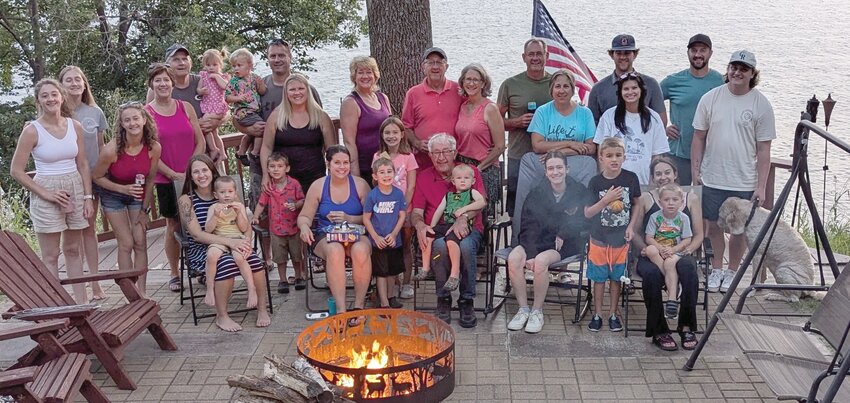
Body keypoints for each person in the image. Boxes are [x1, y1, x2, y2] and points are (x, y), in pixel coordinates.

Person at [691, 50, 775, 293]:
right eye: (733, 67)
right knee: (713, 226)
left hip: (743, 180)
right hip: (712, 176)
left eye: (744, 69)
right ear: (727, 70)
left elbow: (764, 149)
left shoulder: (761, 104)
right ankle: (716, 268)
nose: (737, 72)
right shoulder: (710, 98)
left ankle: (732, 271)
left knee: (738, 229)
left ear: (752, 74)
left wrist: (760, 185)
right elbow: (698, 137)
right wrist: (696, 172)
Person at [239, 38, 322, 270]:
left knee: (304, 211)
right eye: (273, 55)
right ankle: (268, 259)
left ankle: (307, 258)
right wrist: (246, 130)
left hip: (305, 168)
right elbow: (241, 117)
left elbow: (320, 124)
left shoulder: (306, 89)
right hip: (265, 166)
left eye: (281, 55)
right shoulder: (259, 88)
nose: (277, 59)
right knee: (264, 210)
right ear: (267, 58)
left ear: (290, 57)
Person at [10, 78, 94, 304]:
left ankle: (81, 304)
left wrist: (87, 197)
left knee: (73, 249)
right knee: (50, 255)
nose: (50, 99)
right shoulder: (32, 131)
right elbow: (16, 171)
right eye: (44, 96)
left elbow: (83, 163)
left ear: (61, 96)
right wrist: (45, 194)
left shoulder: (74, 126)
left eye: (53, 94)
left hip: (74, 187)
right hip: (46, 189)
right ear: (38, 100)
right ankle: (56, 306)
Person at [177, 155, 270, 332]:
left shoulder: (226, 192)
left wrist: (247, 241)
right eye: (196, 171)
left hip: (234, 240)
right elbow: (197, 235)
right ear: (190, 175)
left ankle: (262, 308)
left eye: (204, 170)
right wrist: (230, 243)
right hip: (202, 249)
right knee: (226, 263)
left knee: (254, 260)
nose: (201, 175)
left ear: (212, 172)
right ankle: (222, 316)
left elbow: (245, 224)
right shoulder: (186, 201)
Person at [506, 151, 591, 334]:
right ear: (545, 172)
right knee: (513, 259)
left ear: (567, 169)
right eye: (551, 168)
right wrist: (529, 253)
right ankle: (523, 309)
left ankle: (537, 311)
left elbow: (584, 220)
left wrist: (563, 232)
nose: (555, 172)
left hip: (564, 243)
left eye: (559, 167)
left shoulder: (579, 191)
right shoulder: (536, 192)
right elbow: (528, 224)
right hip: (536, 239)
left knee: (541, 262)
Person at [411, 134, 485, 328]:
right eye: (435, 152)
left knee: (467, 246)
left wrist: (463, 217)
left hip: (469, 228)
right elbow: (417, 212)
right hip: (439, 231)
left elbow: (480, 204)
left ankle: (466, 300)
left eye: (445, 152)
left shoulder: (470, 172)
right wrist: (420, 225)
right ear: (430, 154)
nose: (441, 157)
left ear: (455, 153)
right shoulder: (424, 176)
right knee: (438, 246)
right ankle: (443, 298)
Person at [145, 63, 206, 292]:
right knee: (174, 224)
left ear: (172, 83)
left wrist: (192, 168)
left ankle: (199, 267)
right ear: (152, 84)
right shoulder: (147, 113)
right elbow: (149, 149)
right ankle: (174, 272)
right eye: (158, 80)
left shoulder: (185, 106)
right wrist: (172, 174)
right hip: (166, 179)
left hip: (194, 175)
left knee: (198, 219)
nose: (163, 84)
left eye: (166, 80)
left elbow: (199, 140)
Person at [633, 157, 704, 351]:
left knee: (689, 269)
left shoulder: (690, 197)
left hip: (681, 250)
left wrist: (686, 250)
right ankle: (659, 331)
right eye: (658, 174)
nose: (663, 177)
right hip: (652, 252)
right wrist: (645, 249)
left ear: (675, 174)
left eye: (667, 172)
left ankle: (686, 326)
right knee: (651, 274)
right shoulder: (646, 197)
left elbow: (698, 235)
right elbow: (638, 232)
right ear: (653, 177)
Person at [91, 102, 161, 298]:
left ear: (144, 120)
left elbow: (150, 180)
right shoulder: (111, 150)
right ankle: (130, 293)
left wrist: (144, 211)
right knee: (126, 243)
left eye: (136, 118)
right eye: (127, 120)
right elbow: (96, 177)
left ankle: (142, 292)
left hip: (137, 195)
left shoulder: (153, 147)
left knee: (140, 241)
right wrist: (122, 188)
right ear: (121, 124)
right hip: (113, 194)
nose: (132, 123)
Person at [297, 145, 372, 315]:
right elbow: (305, 216)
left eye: (346, 163)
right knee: (335, 250)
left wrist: (349, 218)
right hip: (326, 234)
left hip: (355, 231)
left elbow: (371, 217)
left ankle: (359, 306)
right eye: (337, 162)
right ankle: (341, 309)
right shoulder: (318, 186)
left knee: (360, 250)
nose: (342, 167)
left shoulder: (360, 185)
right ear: (328, 163)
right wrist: (304, 227)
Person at [58, 65, 108, 301]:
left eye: (79, 79)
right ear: (62, 85)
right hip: (68, 179)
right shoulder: (58, 112)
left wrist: (102, 175)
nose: (75, 83)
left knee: (89, 230)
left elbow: (100, 147)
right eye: (69, 80)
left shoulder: (95, 112)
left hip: (92, 178)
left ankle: (95, 283)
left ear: (85, 84)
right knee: (72, 234)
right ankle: (79, 286)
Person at [584, 137, 641, 333]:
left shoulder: (630, 178)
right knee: (599, 279)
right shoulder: (595, 182)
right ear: (601, 158)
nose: (614, 159)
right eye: (609, 156)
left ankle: (613, 313)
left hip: (620, 240)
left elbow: (637, 203)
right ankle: (598, 313)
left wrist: (631, 226)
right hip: (599, 238)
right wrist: (605, 200)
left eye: (618, 155)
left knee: (616, 278)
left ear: (624, 157)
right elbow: (587, 212)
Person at [497, 38, 553, 216]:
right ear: (524, 57)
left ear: (547, 56)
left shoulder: (557, 84)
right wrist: (516, 122)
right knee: (517, 209)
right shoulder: (510, 84)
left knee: (549, 208)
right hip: (518, 156)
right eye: (531, 54)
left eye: (539, 54)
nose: (535, 58)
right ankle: (516, 243)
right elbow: (495, 122)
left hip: (550, 157)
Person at [660, 34, 725, 185]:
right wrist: (662, 128)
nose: (698, 55)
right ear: (688, 53)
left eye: (703, 50)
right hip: (678, 155)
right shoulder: (673, 81)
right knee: (674, 202)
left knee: (704, 204)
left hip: (710, 156)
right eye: (694, 50)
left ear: (710, 53)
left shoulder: (721, 82)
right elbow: (646, 102)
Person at [148, 44, 226, 164]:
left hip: (209, 158)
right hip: (174, 158)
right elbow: (149, 123)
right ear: (167, 64)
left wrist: (217, 121)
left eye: (185, 59)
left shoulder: (203, 81)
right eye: (176, 59)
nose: (181, 63)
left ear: (191, 62)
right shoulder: (159, 88)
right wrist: (191, 125)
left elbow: (224, 105)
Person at [414, 163, 486, 291]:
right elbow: (439, 211)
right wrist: (432, 227)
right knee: (428, 235)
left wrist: (464, 210)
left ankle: (454, 274)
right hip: (446, 224)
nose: (463, 181)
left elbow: (482, 202)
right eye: (459, 178)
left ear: (473, 180)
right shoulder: (448, 196)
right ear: (453, 181)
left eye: (466, 178)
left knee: (451, 241)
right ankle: (425, 268)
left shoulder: (472, 193)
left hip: (462, 227)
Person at [261, 73, 337, 193]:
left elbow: (332, 150)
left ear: (308, 90)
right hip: (283, 179)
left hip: (315, 178)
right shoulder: (276, 116)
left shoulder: (321, 116)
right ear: (286, 93)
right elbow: (266, 147)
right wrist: (266, 174)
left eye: (301, 88)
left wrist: (334, 175)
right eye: (292, 89)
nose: (297, 93)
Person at [594, 73, 670, 185]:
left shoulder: (654, 117)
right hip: (614, 182)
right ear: (620, 92)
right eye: (626, 89)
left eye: (634, 88)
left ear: (641, 90)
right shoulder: (609, 116)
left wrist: (652, 183)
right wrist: (605, 180)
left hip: (644, 181)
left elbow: (657, 154)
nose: (630, 92)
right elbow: (601, 149)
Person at [373, 116, 418, 299]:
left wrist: (403, 210)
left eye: (395, 132)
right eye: (387, 132)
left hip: (403, 210)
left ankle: (407, 282)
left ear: (402, 134)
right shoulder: (378, 156)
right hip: (385, 211)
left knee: (405, 246)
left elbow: (411, 186)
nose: (391, 136)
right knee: (390, 247)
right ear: (382, 135)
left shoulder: (408, 157)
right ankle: (395, 282)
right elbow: (376, 185)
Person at [401, 47, 465, 169]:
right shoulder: (413, 93)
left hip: (454, 159)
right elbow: (406, 126)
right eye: (430, 62)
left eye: (439, 62)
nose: (435, 67)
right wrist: (417, 143)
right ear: (423, 67)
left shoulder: (458, 90)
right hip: (423, 160)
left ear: (446, 66)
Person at [251, 153, 305, 294]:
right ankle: (283, 280)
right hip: (276, 229)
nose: (276, 169)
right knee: (280, 257)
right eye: (272, 166)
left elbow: (302, 200)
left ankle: (299, 277)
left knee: (296, 255)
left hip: (294, 227)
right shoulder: (269, 187)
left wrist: (296, 205)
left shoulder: (294, 184)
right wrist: (256, 216)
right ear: (268, 170)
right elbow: (261, 203)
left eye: (280, 166)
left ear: (287, 168)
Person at [455, 63, 505, 213]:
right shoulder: (462, 106)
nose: (471, 83)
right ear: (462, 82)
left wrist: (479, 169)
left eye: (476, 80)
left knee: (479, 218)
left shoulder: (490, 108)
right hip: (462, 166)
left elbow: (500, 147)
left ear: (483, 83)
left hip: (484, 168)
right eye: (467, 79)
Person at [587, 34, 667, 126]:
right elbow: (592, 125)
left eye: (627, 53)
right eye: (618, 53)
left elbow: (660, 123)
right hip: (611, 139)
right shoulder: (598, 89)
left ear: (635, 55)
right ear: (611, 55)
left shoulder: (651, 84)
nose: (623, 57)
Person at [203, 176, 257, 309]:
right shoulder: (214, 207)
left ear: (235, 192)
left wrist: (239, 214)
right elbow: (208, 230)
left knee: (240, 257)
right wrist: (215, 216)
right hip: (220, 238)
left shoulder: (239, 206)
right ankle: (210, 289)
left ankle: (251, 289)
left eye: (230, 191)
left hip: (237, 238)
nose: (226, 195)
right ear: (216, 194)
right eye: (222, 192)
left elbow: (244, 228)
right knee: (211, 255)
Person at [644, 183, 693, 319]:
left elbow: (687, 239)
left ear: (681, 202)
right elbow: (649, 237)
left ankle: (672, 299)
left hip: (675, 251)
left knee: (670, 263)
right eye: (666, 200)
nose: (670, 203)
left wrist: (673, 249)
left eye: (675, 200)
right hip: (659, 251)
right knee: (650, 249)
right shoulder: (655, 217)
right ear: (660, 202)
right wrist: (660, 249)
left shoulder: (683, 218)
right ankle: (674, 284)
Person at [363, 158, 407, 309]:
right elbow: (366, 218)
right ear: (375, 176)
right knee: (381, 273)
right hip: (378, 241)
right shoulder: (373, 195)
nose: (386, 175)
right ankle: (384, 302)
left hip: (394, 240)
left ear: (394, 174)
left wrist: (394, 234)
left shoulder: (398, 194)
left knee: (392, 272)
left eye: (389, 171)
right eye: (382, 172)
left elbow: (402, 216)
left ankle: (391, 295)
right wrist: (375, 237)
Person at [340, 56, 392, 180]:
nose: (365, 76)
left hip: (384, 164)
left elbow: (391, 126)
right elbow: (349, 142)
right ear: (354, 76)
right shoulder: (351, 102)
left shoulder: (383, 98)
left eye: (369, 72)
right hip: (364, 166)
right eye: (360, 72)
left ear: (375, 75)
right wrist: (355, 175)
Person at [528, 69, 597, 158]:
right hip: (550, 165)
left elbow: (591, 148)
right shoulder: (542, 112)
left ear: (572, 90)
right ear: (551, 90)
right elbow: (537, 146)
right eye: (557, 86)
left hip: (579, 165)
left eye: (566, 86)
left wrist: (562, 153)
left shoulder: (585, 113)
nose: (561, 91)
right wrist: (570, 144)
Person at [226, 48, 267, 165]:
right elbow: (227, 97)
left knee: (251, 133)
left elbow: (263, 92)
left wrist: (261, 85)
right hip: (243, 112)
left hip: (254, 111)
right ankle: (255, 153)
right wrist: (238, 98)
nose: (236, 68)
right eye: (234, 66)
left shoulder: (254, 78)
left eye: (239, 65)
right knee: (261, 129)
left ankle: (241, 151)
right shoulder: (234, 82)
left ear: (250, 65)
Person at [196, 48, 230, 163]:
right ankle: (222, 152)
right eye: (208, 65)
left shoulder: (223, 76)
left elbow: (225, 87)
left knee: (203, 123)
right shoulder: (203, 75)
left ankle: (213, 149)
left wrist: (216, 77)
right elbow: (198, 88)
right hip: (208, 105)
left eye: (214, 65)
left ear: (220, 64)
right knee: (214, 131)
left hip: (217, 106)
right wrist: (201, 91)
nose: (211, 68)